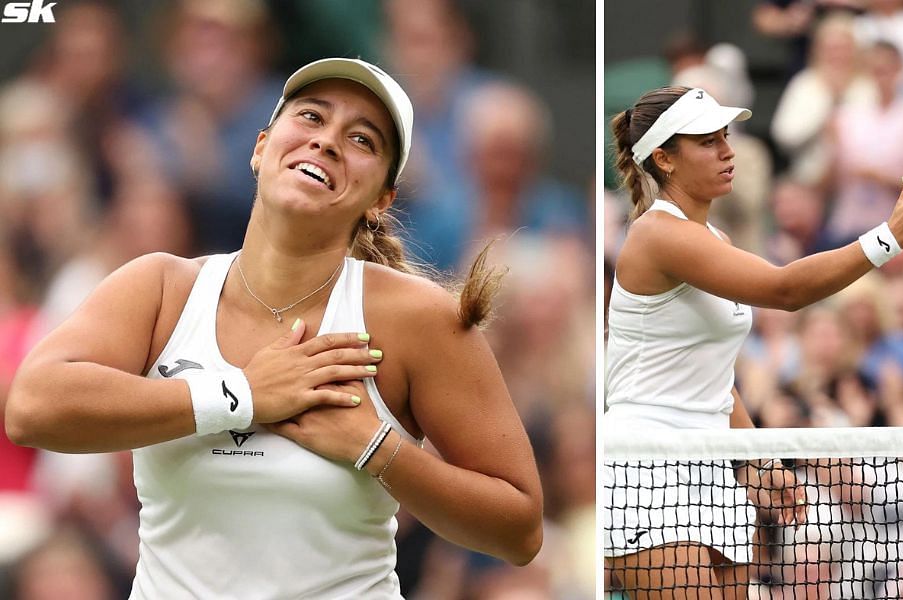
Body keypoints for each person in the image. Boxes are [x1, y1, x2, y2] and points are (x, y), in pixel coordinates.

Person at [5, 58, 543, 598]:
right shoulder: (160, 288)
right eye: (311, 116)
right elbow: (33, 408)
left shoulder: (416, 318)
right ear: (261, 146)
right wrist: (240, 395)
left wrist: (377, 448)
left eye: (362, 139)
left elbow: (519, 529)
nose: (327, 142)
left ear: (381, 199)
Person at [603, 85, 903, 598]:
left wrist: (761, 461)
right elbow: (785, 290)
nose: (728, 151)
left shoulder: (715, 242)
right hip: (649, 464)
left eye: (725, 137)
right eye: (707, 142)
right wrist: (888, 238)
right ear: (664, 159)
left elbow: (717, 384)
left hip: (714, 465)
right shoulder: (658, 235)